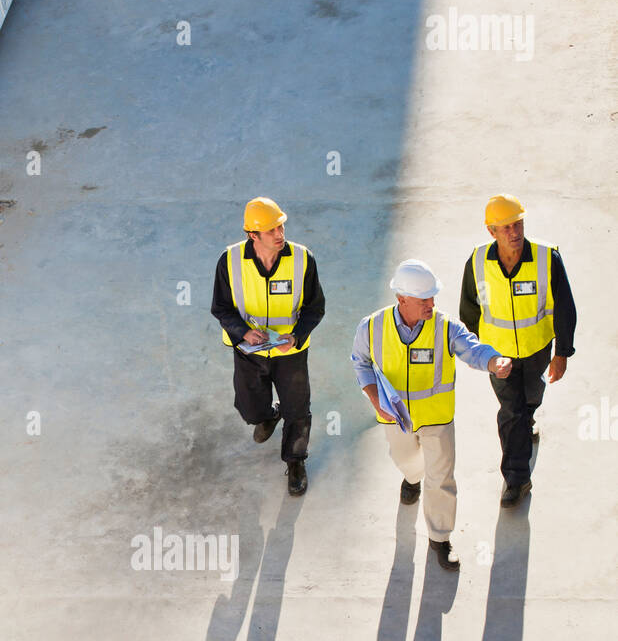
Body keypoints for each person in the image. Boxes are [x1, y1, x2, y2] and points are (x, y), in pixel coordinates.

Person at [351, 259, 512, 571]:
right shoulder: (371, 327)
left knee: (441, 477)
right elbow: (360, 362)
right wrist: (374, 399)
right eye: (424, 299)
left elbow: (472, 349)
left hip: (437, 419)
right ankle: (412, 478)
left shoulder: (445, 326)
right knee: (408, 462)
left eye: (433, 297)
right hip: (395, 418)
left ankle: (440, 537)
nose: (431, 304)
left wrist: (494, 361)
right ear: (402, 300)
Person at [459, 194, 577, 506]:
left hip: (537, 348)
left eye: (518, 224)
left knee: (530, 401)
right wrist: (478, 353)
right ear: (491, 231)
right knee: (511, 412)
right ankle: (516, 479)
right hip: (498, 356)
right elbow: (469, 309)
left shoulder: (545, 256)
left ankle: (530, 418)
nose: (514, 232)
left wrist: (562, 352)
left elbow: (565, 307)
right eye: (506, 227)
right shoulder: (478, 261)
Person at [211, 197, 325, 496]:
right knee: (250, 408)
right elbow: (221, 308)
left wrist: (296, 336)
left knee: (298, 410)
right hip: (249, 353)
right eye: (272, 229)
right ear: (253, 235)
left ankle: (296, 461)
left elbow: (315, 308)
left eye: (281, 226)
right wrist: (244, 332)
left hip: (291, 353)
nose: (280, 234)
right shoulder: (230, 261)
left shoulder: (302, 259)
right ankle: (266, 415)